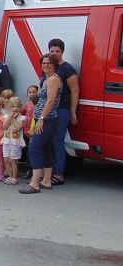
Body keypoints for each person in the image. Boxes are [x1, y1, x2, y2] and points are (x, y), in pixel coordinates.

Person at [20, 54, 62, 194]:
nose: (45, 65)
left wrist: (42, 119)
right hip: (47, 120)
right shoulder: (47, 80)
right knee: (46, 150)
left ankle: (35, 183)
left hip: (47, 120)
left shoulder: (53, 80)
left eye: (49, 63)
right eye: (43, 63)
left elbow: (50, 101)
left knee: (34, 149)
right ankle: (46, 181)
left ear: (54, 64)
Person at [45, 38, 80, 186]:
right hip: (48, 110)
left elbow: (75, 91)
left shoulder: (67, 69)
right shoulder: (48, 67)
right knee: (47, 141)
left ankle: (59, 174)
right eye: (52, 51)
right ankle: (47, 173)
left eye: (57, 51)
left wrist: (72, 112)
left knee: (58, 141)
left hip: (62, 109)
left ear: (62, 52)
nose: (54, 54)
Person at [3, 97, 27, 185]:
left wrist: (13, 119)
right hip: (6, 141)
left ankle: (14, 177)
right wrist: (9, 117)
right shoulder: (6, 116)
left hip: (15, 142)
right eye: (13, 107)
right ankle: (9, 176)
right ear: (9, 108)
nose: (15, 109)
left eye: (17, 107)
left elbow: (18, 128)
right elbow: (4, 127)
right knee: (6, 159)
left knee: (13, 160)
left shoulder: (22, 118)